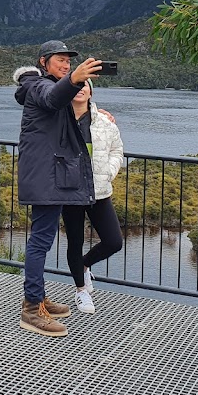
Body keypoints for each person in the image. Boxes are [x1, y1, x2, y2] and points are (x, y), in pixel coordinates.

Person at [13, 40, 102, 337]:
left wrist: (97, 114)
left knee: (44, 239)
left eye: (68, 62)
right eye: (60, 60)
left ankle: (38, 298)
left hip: (50, 176)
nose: (65, 64)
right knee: (40, 241)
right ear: (43, 62)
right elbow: (52, 99)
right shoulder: (36, 86)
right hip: (44, 177)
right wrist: (75, 78)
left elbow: (66, 117)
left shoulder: (46, 86)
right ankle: (31, 308)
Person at [61, 78, 125, 314]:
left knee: (114, 241)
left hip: (99, 189)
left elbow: (117, 150)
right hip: (70, 190)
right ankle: (81, 290)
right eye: (76, 85)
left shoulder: (104, 122)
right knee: (74, 242)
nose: (80, 90)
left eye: (84, 85)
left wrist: (110, 170)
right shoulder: (59, 118)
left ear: (91, 91)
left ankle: (85, 264)